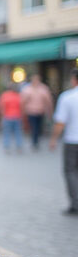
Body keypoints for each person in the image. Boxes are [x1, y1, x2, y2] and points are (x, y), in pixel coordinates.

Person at [49, 69, 78, 216]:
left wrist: (54, 138)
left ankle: (75, 203)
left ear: (74, 80)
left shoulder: (68, 97)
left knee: (71, 171)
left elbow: (60, 122)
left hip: (73, 140)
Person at [21, 74, 54, 150]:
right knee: (34, 127)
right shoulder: (27, 89)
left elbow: (48, 101)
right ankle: (34, 141)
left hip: (40, 111)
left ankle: (36, 140)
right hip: (31, 111)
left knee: (38, 127)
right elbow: (23, 101)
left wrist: (50, 111)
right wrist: (23, 111)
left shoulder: (43, 89)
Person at [0, 84, 24, 154]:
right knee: (18, 132)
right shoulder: (18, 96)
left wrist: (0, 116)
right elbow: (22, 106)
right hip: (17, 116)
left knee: (6, 132)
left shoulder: (4, 95)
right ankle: (19, 147)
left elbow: (0, 106)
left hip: (7, 117)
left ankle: (7, 147)